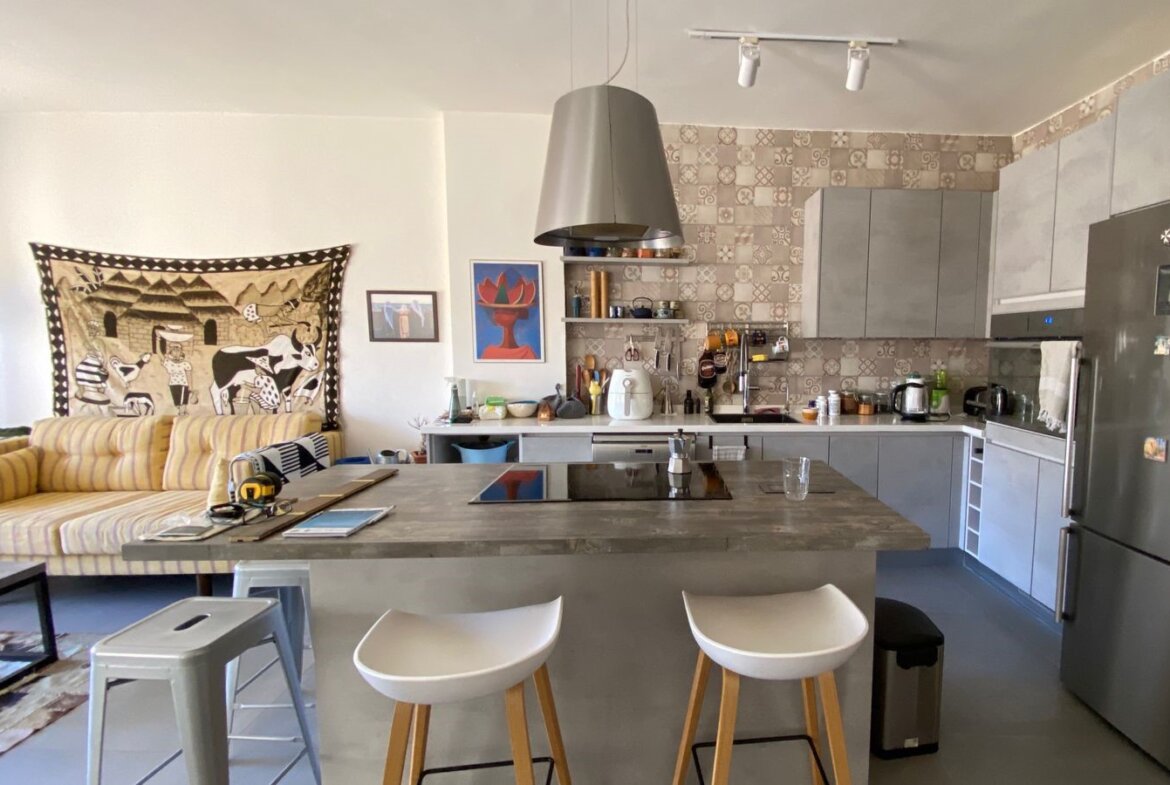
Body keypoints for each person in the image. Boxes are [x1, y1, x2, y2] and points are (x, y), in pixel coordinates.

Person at [163, 343, 193, 415]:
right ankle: (184, 412)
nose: (176, 352)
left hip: (183, 384)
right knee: (177, 404)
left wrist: (190, 386)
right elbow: (160, 355)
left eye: (178, 351)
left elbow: (189, 375)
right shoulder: (168, 362)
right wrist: (158, 340)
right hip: (172, 384)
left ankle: (182, 415)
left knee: (183, 402)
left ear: (181, 352)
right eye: (174, 351)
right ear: (171, 352)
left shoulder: (185, 363)